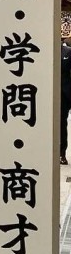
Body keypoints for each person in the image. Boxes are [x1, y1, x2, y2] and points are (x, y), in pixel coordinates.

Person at [61, 18, 71, 166]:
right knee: (60, 123)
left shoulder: (68, 52)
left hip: (69, 89)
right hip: (59, 95)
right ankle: (61, 153)